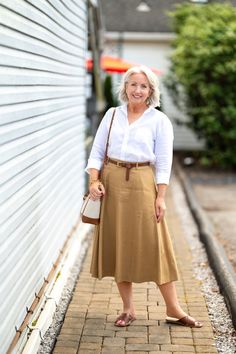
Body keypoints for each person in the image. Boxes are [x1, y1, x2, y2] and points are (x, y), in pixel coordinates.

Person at [85, 65, 203, 328]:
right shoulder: (112, 115)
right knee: (118, 244)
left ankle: (174, 309)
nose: (137, 90)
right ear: (125, 87)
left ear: (151, 91)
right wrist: (94, 180)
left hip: (142, 183)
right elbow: (95, 153)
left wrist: (161, 197)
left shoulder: (159, 121)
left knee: (155, 245)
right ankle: (128, 309)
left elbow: (163, 163)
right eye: (133, 84)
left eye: (144, 86)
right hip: (112, 182)